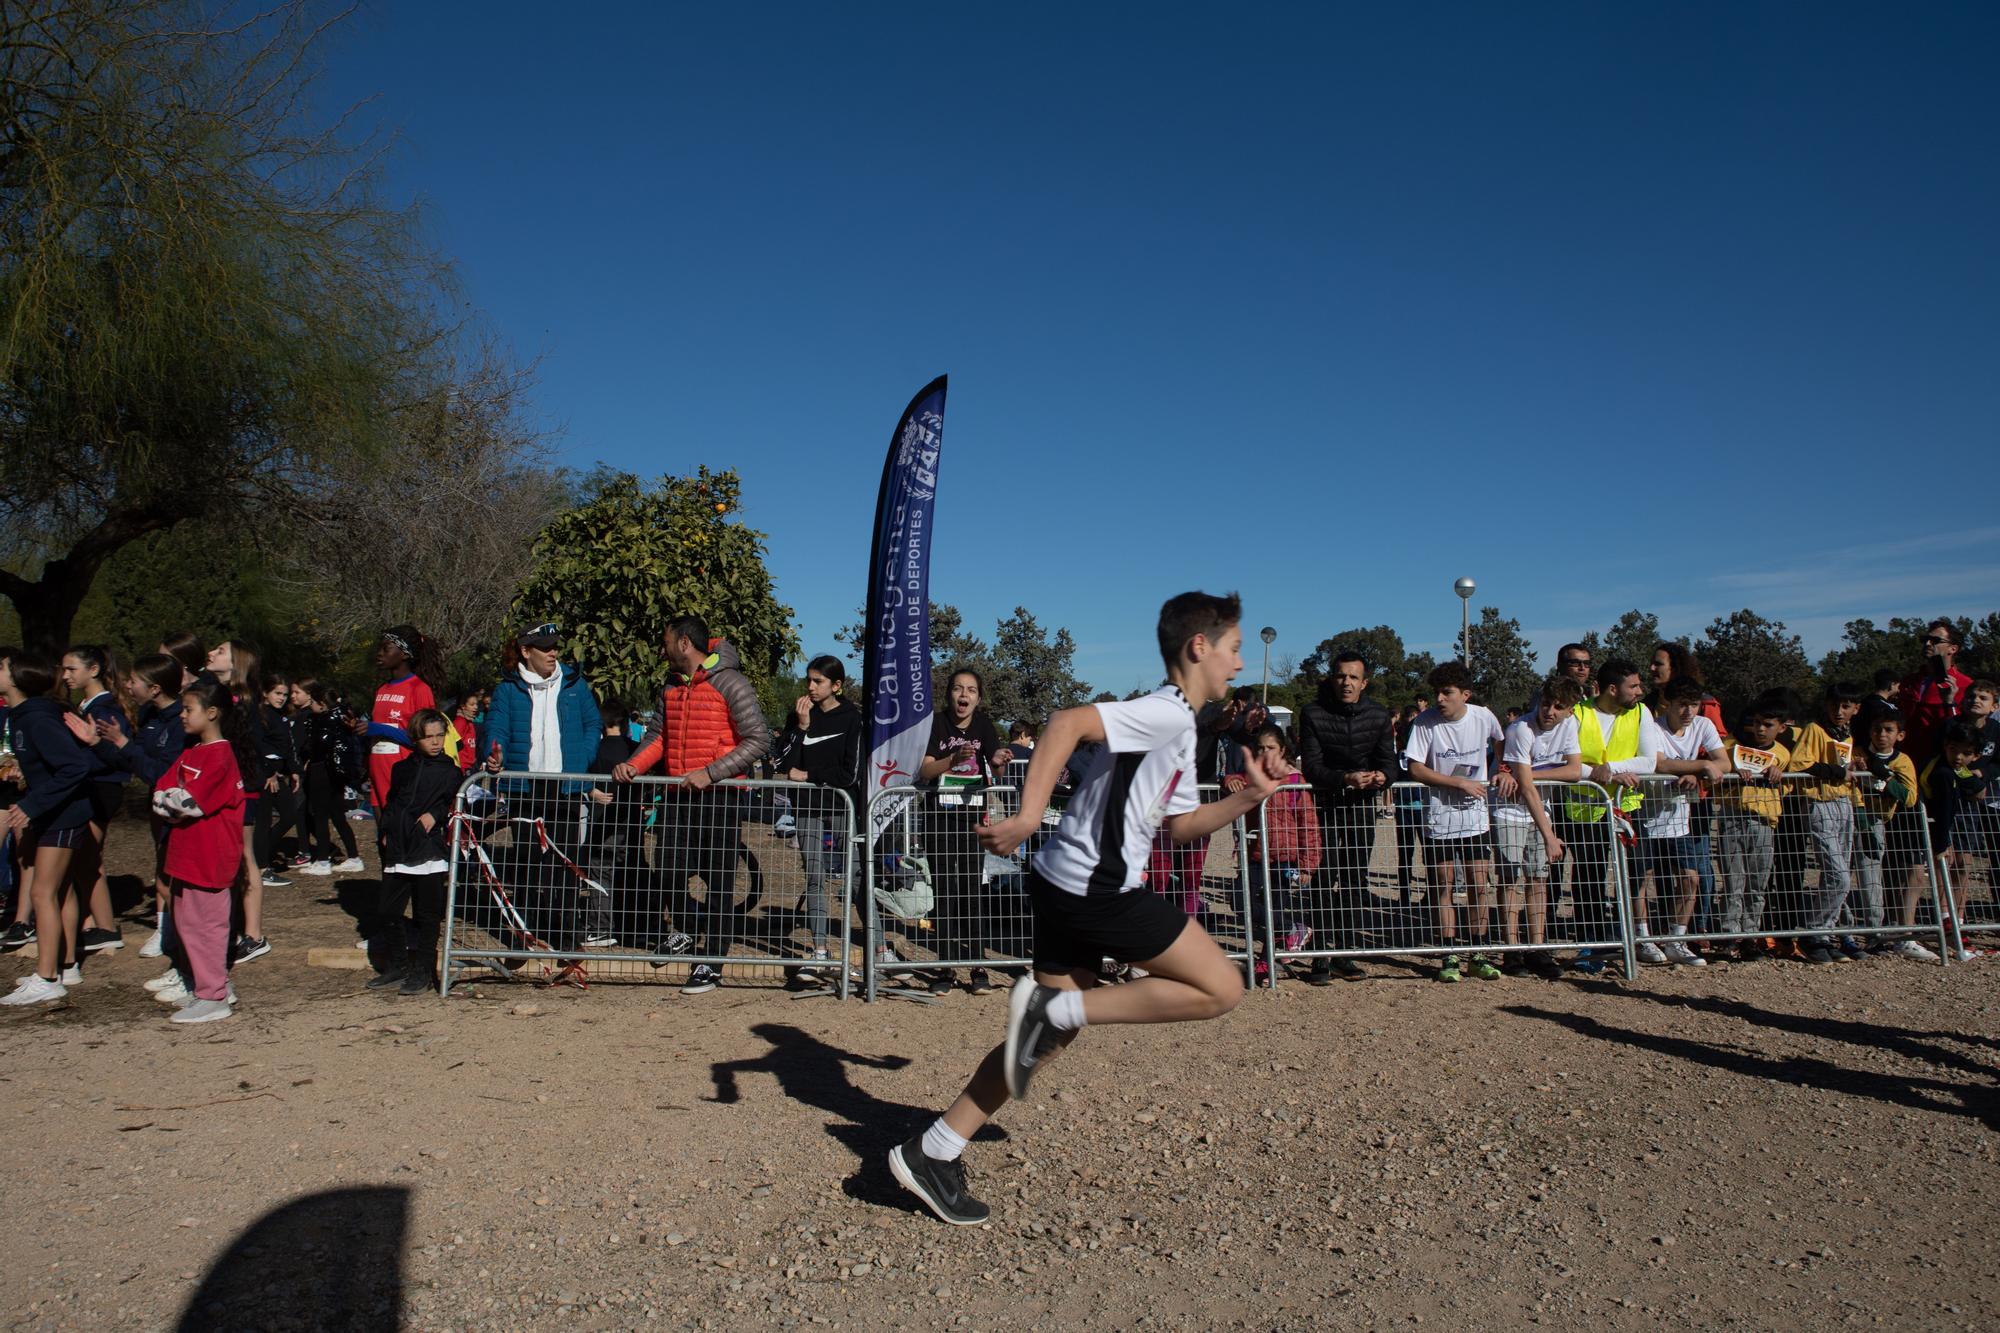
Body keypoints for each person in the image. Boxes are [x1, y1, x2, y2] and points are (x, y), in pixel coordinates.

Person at [886, 592, 1275, 1226]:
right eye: (1234, 649)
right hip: (1096, 891)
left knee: (1043, 1039)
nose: (1238, 665)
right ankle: (1057, 1005)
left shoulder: (1176, 728)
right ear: (1199, 647)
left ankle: (933, 1148)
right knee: (1222, 986)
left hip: (1064, 885)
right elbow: (1065, 723)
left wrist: (1248, 798)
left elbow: (1176, 827)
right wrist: (1030, 814)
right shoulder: (1167, 713)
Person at [615, 615, 771, 995]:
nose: (662, 648)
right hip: (677, 795)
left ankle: (712, 960)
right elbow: (658, 736)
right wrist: (633, 764)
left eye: (666, 641)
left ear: (684, 643)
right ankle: (684, 929)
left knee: (719, 881)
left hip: (719, 798)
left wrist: (712, 772)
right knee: (669, 867)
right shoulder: (670, 685)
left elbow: (758, 740)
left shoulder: (731, 682)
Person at [481, 623, 604, 957]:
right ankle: (527, 936)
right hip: (525, 787)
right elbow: (496, 728)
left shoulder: (575, 684)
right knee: (527, 865)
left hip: (565, 789)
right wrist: (494, 754)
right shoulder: (508, 689)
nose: (553, 653)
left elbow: (593, 725)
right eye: (545, 647)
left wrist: (584, 757)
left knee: (566, 866)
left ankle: (566, 941)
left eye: (555, 647)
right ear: (525, 651)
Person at [65, 654, 188, 959]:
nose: (128, 685)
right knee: (162, 869)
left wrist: (122, 744)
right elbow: (129, 764)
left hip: (182, 808)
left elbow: (160, 772)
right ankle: (167, 931)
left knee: (176, 872)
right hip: (157, 805)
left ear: (155, 688)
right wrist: (99, 745)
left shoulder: (181, 720)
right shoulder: (148, 714)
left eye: (134, 681)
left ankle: (176, 936)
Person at [1403, 661, 1512, 982]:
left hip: (1475, 819)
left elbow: (1500, 740)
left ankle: (1478, 952)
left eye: (1447, 692)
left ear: (1465, 694)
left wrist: (1500, 768)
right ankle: (1449, 953)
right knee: (1444, 887)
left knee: (1480, 885)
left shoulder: (1483, 716)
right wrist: (1459, 783)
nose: (1439, 698)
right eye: (1436, 692)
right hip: (1440, 819)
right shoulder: (1424, 723)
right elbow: (1416, 769)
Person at [150, 678, 249, 1023]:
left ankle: (213, 996)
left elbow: (188, 803)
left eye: (188, 709)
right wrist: (170, 800)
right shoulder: (191, 752)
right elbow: (162, 790)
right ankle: (213, 985)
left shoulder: (221, 756)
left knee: (208, 925)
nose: (181, 715)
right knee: (189, 923)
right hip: (188, 855)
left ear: (211, 713)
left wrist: (172, 801)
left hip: (211, 857)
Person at [0, 650, 95, 1006]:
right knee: (60, 891)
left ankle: (47, 978)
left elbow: (74, 767)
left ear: (18, 678)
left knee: (42, 892)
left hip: (64, 815)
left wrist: (31, 804)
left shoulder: (36, 719)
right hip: (53, 813)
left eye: (1, 667)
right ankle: (64, 965)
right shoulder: (24, 716)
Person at [1295, 650, 1395, 982]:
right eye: (1341, 676)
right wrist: (1344, 778)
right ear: (1332, 679)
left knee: (1354, 878)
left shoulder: (1379, 716)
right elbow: (1311, 765)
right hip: (1324, 804)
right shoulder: (1312, 713)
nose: (1346, 682)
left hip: (1362, 805)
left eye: (1353, 677)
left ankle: (1346, 953)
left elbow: (1389, 761)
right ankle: (1320, 954)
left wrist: (1383, 777)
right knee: (1324, 877)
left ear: (1364, 683)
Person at [914, 668, 1012, 996]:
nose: (963, 695)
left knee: (971, 891)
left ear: (978, 698)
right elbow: (925, 769)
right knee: (944, 892)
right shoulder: (936, 723)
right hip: (938, 818)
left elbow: (995, 766)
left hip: (971, 819)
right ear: (950, 694)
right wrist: (952, 759)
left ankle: (977, 966)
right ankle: (943, 968)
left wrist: (999, 759)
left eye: (970, 690)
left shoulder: (984, 726)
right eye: (958, 689)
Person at [1564, 660, 1664, 974]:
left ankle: (1634, 938)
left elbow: (1649, 762)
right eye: (1633, 686)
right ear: (1612, 688)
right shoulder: (1578, 712)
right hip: (1583, 812)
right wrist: (1597, 772)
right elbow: (1564, 759)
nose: (1640, 691)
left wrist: (1613, 770)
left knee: (1632, 876)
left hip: (1626, 810)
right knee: (1588, 880)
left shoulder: (1641, 712)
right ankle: (1590, 943)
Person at [780, 655, 864, 987]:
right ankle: (819, 950)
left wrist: (811, 775)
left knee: (857, 875)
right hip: (807, 809)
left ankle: (878, 945)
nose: (810, 687)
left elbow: (849, 773)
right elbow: (783, 761)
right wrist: (800, 728)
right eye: (809, 680)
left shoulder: (852, 718)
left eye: (818, 681)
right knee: (814, 875)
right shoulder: (800, 715)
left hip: (841, 807)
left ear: (836, 685)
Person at [1633, 677, 1728, 966]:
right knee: (1641, 877)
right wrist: (1700, 766)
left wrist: (1696, 774)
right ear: (1668, 704)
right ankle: (1642, 938)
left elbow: (1723, 762)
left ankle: (1677, 938)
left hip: (1680, 815)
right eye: (1682, 705)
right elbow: (1658, 763)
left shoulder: (1703, 725)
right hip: (1644, 811)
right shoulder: (1651, 727)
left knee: (1691, 877)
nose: (1689, 711)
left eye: (1694, 705)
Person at [1495, 676, 1581, 980]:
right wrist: (1550, 836)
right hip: (1511, 811)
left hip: (1539, 811)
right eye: (1546, 703)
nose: (1550, 711)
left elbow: (1574, 770)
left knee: (1538, 880)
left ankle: (1537, 946)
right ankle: (1511, 948)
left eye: (1559, 707)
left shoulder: (1571, 726)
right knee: (1510, 879)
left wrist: (1533, 772)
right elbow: (1527, 788)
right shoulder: (1520, 729)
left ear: (1570, 710)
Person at [369, 710, 461, 995]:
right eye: (428, 737)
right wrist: (385, 830)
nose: (435, 742)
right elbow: (394, 802)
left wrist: (435, 814)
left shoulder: (450, 771)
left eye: (439, 736)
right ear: (415, 738)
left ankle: (423, 970)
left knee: (428, 915)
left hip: (428, 850)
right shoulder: (402, 769)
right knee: (388, 911)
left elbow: (453, 802)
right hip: (399, 847)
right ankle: (398, 965)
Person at [1224, 723, 1318, 984]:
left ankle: (1267, 964)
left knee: (1273, 907)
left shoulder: (1295, 781)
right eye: (1261, 748)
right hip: (1255, 854)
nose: (1265, 752)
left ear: (1283, 750)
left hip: (1284, 858)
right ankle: (1291, 930)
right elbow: (1233, 779)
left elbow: (1308, 824)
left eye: (1271, 748)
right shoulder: (1251, 776)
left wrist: (1308, 864)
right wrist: (1230, 780)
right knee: (1241, 902)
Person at [60, 645, 131, 954]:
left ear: (93, 670)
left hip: (101, 787)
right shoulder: (88, 705)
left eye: (71, 669)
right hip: (93, 786)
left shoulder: (104, 709)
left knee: (88, 857)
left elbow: (112, 757)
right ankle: (95, 923)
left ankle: (104, 927)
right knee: (85, 858)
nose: (65, 675)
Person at [1789, 682, 1865, 964]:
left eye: (1846, 706)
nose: (1839, 711)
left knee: (1840, 871)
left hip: (1844, 804)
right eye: (1834, 705)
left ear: (1855, 710)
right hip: (1819, 803)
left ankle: (1826, 932)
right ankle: (1813, 931)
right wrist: (1837, 772)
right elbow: (1799, 765)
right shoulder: (1815, 730)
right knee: (1838, 875)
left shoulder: (1846, 735)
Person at [207, 638, 274, 957]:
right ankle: (234, 927)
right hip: (225, 789)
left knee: (246, 860)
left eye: (220, 651)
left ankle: (254, 935)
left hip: (242, 790)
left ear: (238, 663)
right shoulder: (221, 697)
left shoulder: (243, 703)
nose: (212, 654)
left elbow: (248, 752)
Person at [1714, 699, 1791, 960]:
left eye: (1767, 725)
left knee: (1757, 883)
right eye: (1757, 723)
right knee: (1733, 882)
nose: (1760, 729)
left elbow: (1788, 783)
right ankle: (1728, 937)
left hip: (1764, 822)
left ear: (1780, 728)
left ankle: (1750, 936)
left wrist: (1778, 774)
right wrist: (1734, 768)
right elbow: (1717, 767)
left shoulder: (1782, 753)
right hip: (1733, 817)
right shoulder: (1731, 748)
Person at [1849, 707, 1919, 959]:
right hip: (1848, 817)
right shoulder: (1855, 753)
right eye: (1877, 729)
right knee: (1840, 875)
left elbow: (1910, 797)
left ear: (1899, 735)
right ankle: (1845, 929)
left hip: (1876, 821)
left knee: (1871, 877)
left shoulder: (1902, 761)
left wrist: (1887, 780)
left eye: (1888, 730)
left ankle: (1874, 933)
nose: (1881, 734)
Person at [297, 683, 365, 876]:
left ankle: (323, 860)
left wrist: (307, 749)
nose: (310, 706)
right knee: (337, 815)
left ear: (321, 704)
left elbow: (317, 746)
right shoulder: (345, 717)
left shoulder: (324, 721)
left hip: (322, 770)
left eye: (312, 702)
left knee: (320, 815)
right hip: (338, 772)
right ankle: (353, 856)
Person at [1895, 620, 1973, 767]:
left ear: (1953, 649)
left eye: (1935, 640)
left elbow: (1966, 730)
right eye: (1925, 640)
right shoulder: (1909, 682)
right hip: (1907, 761)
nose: (1928, 644)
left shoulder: (1965, 685)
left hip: (1942, 764)